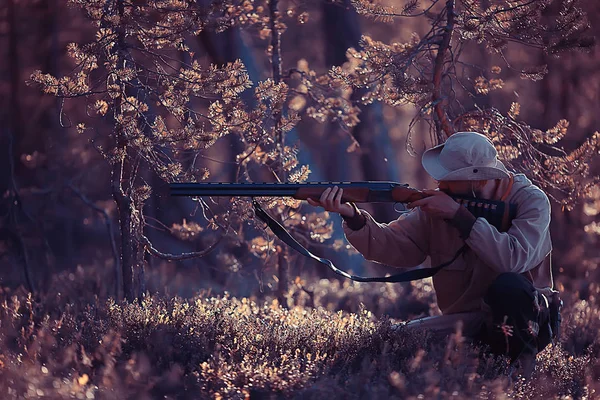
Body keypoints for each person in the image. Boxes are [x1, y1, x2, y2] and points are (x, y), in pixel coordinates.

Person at [307, 131, 561, 378]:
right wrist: (352, 216)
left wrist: (460, 218)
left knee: (510, 287)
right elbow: (394, 246)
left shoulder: (531, 202)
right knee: (393, 340)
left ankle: (522, 376)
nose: (440, 185)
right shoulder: (446, 203)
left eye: (449, 181)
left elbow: (513, 260)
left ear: (479, 181)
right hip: (467, 321)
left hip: (529, 322)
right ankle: (477, 362)